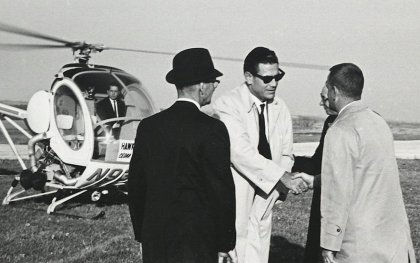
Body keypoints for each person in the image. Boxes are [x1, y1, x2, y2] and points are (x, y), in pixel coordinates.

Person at [128, 48, 237, 263]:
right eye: (214, 82)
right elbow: (221, 192)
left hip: (156, 240)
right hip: (197, 244)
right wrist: (225, 243)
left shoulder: (148, 127)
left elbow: (136, 185)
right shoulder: (213, 129)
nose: (215, 87)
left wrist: (143, 234)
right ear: (201, 86)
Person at [299, 63, 416, 263]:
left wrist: (329, 243)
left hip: (358, 247)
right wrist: (315, 181)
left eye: (326, 90)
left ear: (334, 91)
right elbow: (362, 175)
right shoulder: (378, 123)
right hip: (392, 243)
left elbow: (338, 191)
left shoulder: (340, 130)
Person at [213, 47, 308, 263]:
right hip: (237, 194)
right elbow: (240, 153)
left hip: (267, 194)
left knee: (258, 250)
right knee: (235, 250)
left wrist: (278, 187)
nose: (273, 84)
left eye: (277, 77)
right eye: (267, 78)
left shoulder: (280, 108)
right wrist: (280, 177)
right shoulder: (228, 105)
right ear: (248, 77)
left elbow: (286, 153)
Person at [291, 84, 337, 263]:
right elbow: (318, 162)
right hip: (323, 198)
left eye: (324, 98)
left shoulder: (344, 125)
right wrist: (289, 162)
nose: (320, 103)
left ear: (336, 95)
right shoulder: (329, 122)